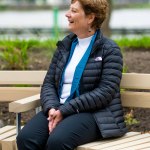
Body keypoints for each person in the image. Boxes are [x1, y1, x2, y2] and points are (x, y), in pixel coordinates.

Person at [16, 0, 127, 149]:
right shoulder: (65, 46)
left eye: (74, 11)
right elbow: (49, 83)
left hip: (95, 113)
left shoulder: (109, 50)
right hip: (59, 108)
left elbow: (105, 92)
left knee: (58, 141)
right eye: (69, 10)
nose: (67, 14)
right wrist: (52, 108)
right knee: (26, 138)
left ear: (90, 18)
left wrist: (65, 110)